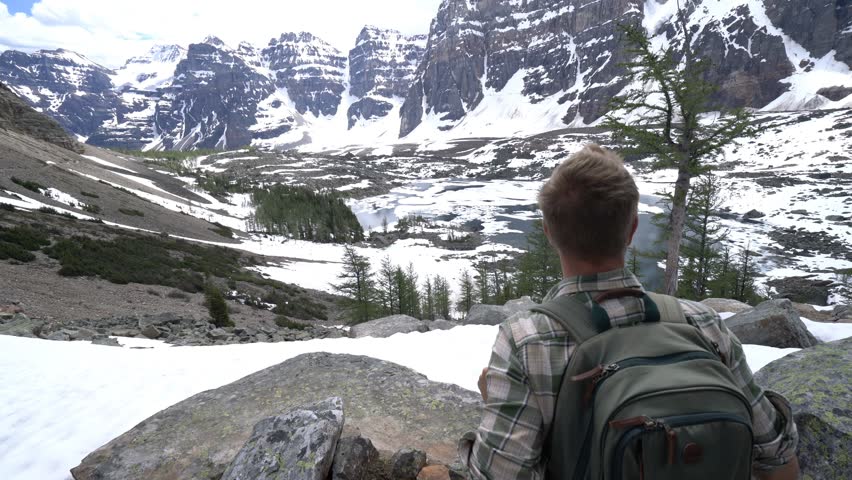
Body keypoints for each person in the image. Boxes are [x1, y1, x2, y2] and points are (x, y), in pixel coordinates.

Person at [459, 144, 799, 479]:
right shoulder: (703, 323)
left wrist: (495, 404)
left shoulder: (526, 339)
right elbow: (777, 452)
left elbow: (500, 475)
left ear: (548, 231)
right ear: (633, 228)